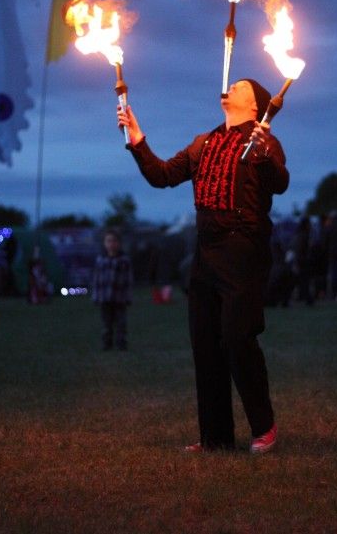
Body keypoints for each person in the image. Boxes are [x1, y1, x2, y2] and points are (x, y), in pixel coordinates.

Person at [118, 79, 289, 454]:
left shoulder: (263, 141)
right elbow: (161, 176)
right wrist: (137, 139)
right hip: (205, 253)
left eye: (241, 85)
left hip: (243, 251)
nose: (232, 86)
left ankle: (264, 426)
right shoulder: (203, 143)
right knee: (206, 344)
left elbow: (281, 183)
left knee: (237, 337)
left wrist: (263, 155)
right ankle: (216, 437)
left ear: (254, 104)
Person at [91, 230, 133, 350]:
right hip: (105, 298)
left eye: (114, 241)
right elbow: (96, 280)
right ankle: (107, 343)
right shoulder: (100, 260)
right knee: (106, 323)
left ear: (119, 243)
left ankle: (121, 343)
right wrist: (96, 296)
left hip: (120, 298)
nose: (112, 244)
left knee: (121, 323)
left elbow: (129, 280)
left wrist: (128, 297)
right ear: (104, 243)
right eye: (109, 241)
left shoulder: (124, 260)